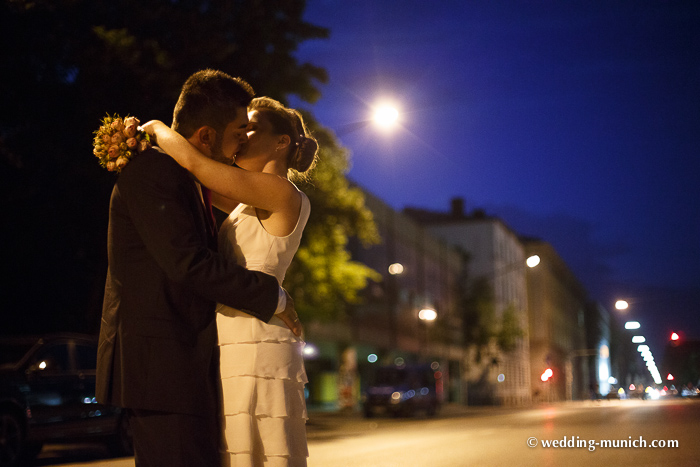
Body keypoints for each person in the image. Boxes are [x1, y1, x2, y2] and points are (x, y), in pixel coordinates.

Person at [96, 70, 301, 467]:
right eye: (239, 131)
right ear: (207, 135)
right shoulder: (155, 172)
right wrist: (274, 296)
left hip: (185, 366)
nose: (243, 139)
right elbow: (188, 263)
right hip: (162, 368)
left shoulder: (185, 176)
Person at [142, 95, 318, 467]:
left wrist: (154, 128)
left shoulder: (280, 191)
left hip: (257, 339)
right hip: (234, 334)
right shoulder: (245, 200)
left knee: (258, 449)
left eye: (250, 128)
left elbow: (195, 164)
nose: (239, 135)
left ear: (281, 142)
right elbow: (193, 177)